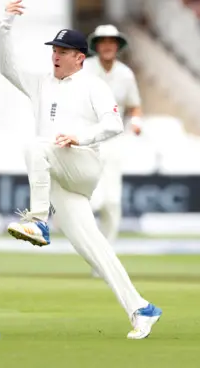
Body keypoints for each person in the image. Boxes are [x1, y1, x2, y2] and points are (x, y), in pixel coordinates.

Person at [0, 0, 162, 340]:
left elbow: (114, 123)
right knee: (94, 249)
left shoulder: (94, 86)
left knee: (35, 146)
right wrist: (6, 24)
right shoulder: (40, 82)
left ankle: (39, 220)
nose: (55, 54)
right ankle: (141, 309)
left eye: (62, 50)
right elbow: (7, 67)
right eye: (53, 49)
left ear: (79, 57)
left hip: (83, 164)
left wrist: (79, 136)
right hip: (59, 175)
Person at [84, 24, 143, 256]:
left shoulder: (125, 74)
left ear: (117, 46)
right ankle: (88, 246)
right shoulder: (84, 70)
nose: (108, 46)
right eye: (103, 42)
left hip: (114, 140)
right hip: (87, 140)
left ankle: (105, 256)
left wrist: (136, 123)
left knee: (112, 202)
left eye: (112, 42)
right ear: (97, 46)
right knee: (93, 200)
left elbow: (135, 106)